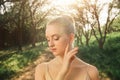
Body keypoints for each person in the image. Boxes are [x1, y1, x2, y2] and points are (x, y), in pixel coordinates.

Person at [35, 15, 99, 80]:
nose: (50, 44)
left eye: (55, 38)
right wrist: (63, 72)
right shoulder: (42, 69)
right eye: (48, 39)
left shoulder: (91, 72)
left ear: (71, 38)